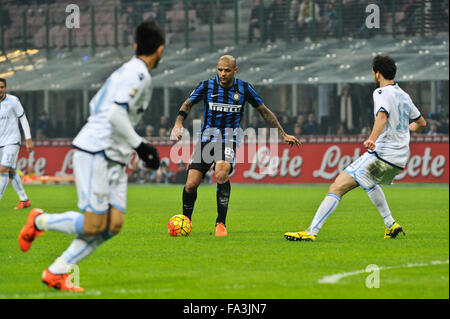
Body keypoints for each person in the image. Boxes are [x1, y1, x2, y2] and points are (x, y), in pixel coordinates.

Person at [18, 21, 164, 291]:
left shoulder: (126, 71)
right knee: (93, 224)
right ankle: (39, 220)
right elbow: (114, 113)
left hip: (115, 156)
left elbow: (95, 104)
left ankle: (56, 272)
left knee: (113, 225)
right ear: (160, 50)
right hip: (95, 151)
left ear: (135, 46)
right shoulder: (138, 74)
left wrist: (128, 145)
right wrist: (142, 146)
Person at [285, 55, 427, 242]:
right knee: (368, 181)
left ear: (377, 74)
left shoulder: (381, 93)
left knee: (337, 186)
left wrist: (371, 139)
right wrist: (412, 128)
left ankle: (311, 232)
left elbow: (382, 117)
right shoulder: (404, 95)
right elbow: (422, 123)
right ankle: (390, 224)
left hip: (383, 154)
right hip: (400, 158)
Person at [170, 55, 301, 236]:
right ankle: (186, 221)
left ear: (235, 70)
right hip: (206, 139)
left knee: (221, 171)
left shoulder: (244, 88)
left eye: (227, 70)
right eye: (220, 69)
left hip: (229, 138)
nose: (223, 74)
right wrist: (178, 123)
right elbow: (187, 103)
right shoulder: (207, 86)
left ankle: (220, 224)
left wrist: (282, 133)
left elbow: (264, 112)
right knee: (191, 184)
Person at [0, 77, 34, 210]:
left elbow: (23, 119)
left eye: (2, 87)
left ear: (5, 88)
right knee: (11, 171)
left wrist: (29, 139)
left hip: (12, 141)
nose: (0, 89)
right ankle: (24, 200)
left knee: (2, 169)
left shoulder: (13, 101)